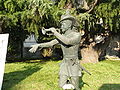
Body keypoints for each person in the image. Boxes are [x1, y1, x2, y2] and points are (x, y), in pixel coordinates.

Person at [29, 12, 81, 90]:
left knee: (76, 87)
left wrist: (55, 32)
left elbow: (67, 41)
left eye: (63, 24)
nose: (61, 26)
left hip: (73, 63)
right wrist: (38, 45)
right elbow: (51, 43)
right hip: (65, 62)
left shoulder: (76, 35)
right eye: (61, 24)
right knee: (61, 85)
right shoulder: (63, 36)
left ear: (69, 25)